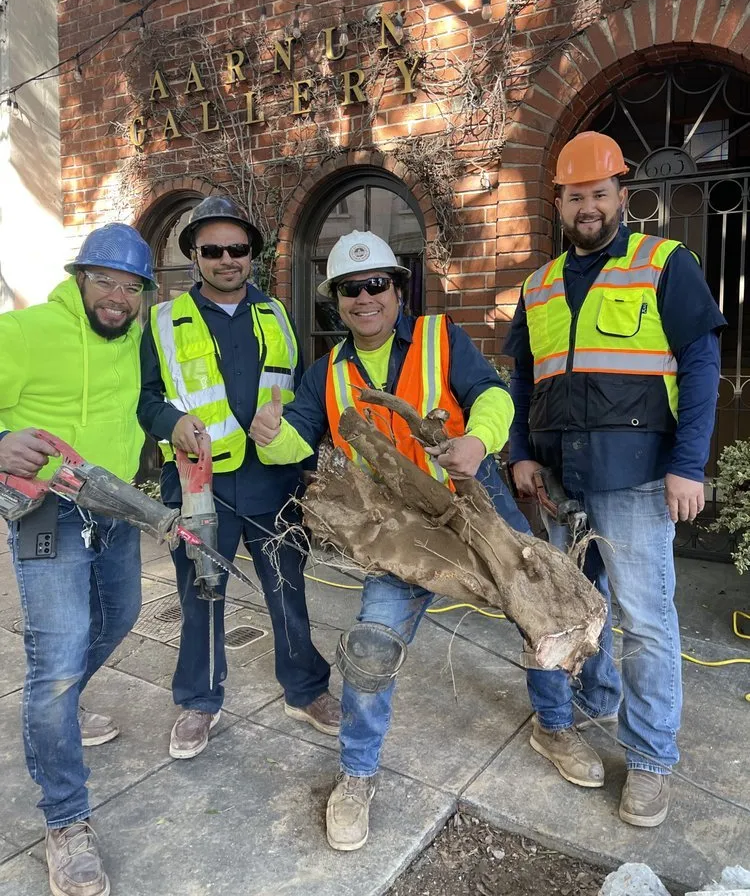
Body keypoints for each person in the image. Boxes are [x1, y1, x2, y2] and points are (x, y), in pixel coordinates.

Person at [249, 229, 529, 852]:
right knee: (372, 647)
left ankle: (557, 724)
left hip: (473, 507)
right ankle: (357, 774)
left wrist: (479, 440)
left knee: (540, 612)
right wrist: (270, 434)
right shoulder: (325, 372)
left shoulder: (440, 337)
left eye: (376, 283)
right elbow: (297, 439)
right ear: (337, 301)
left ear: (398, 289)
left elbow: (491, 393)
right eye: (350, 289)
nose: (364, 298)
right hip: (400, 533)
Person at [504, 131, 726, 828]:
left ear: (621, 196)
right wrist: (519, 453)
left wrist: (688, 465)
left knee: (645, 621)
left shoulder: (663, 264)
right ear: (560, 202)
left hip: (636, 479)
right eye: (576, 197)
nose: (588, 207)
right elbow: (521, 380)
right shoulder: (539, 285)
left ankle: (651, 759)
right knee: (569, 609)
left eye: (599, 194)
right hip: (558, 479)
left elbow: (701, 367)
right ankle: (591, 701)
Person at [138, 195, 338, 762]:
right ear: (195, 257)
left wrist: (304, 452)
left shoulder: (275, 315)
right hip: (199, 484)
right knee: (201, 592)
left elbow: (301, 392)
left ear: (252, 253)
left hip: (273, 481)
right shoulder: (163, 322)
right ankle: (200, 700)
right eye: (213, 250)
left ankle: (306, 689)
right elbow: (146, 399)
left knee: (287, 587)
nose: (227, 259)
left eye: (238, 248)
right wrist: (172, 422)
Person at [0, 224, 156, 896]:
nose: (117, 296)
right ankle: (65, 821)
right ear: (79, 279)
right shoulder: (26, 332)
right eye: (105, 280)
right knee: (57, 661)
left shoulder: (135, 338)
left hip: (114, 504)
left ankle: (58, 711)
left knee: (121, 614)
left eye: (131, 286)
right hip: (48, 511)